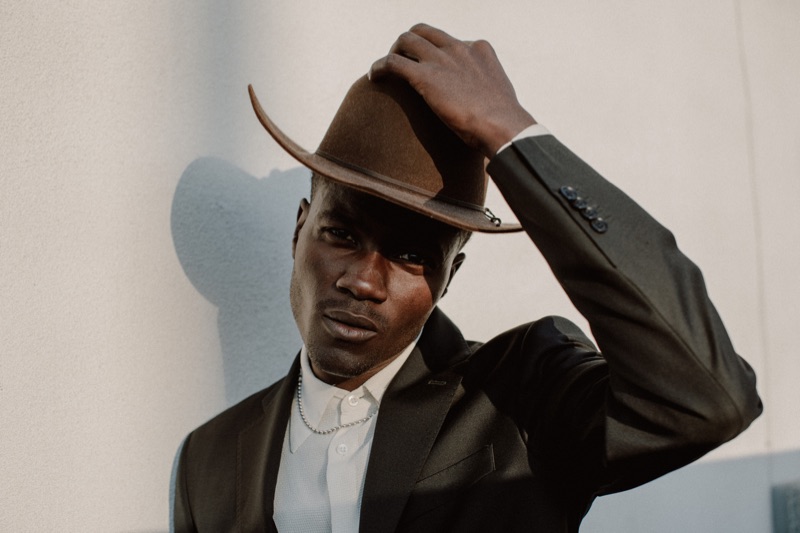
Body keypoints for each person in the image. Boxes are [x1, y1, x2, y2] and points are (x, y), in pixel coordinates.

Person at [173, 23, 762, 532]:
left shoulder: (522, 397)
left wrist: (508, 132)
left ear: (449, 274)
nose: (364, 282)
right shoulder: (210, 457)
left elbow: (708, 400)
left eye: (411, 256)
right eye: (342, 235)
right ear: (300, 230)